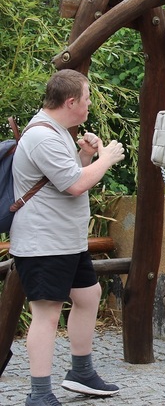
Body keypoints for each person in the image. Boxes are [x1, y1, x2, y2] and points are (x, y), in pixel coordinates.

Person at [10, 69, 126, 406]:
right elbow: (75, 184)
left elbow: (64, 175)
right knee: (46, 315)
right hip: (43, 243)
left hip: (65, 241)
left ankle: (81, 372)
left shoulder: (56, 131)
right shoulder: (42, 136)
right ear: (71, 102)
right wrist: (105, 159)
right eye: (87, 99)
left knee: (89, 295)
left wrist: (85, 156)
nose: (90, 105)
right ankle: (39, 394)